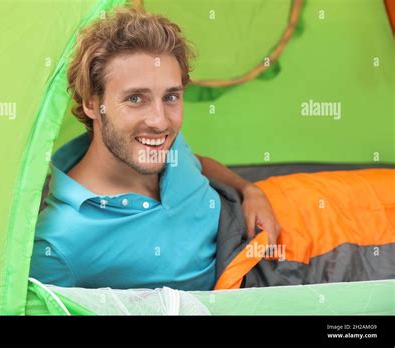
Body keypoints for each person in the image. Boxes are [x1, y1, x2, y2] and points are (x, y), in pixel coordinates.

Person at [29, 7, 280, 290]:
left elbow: (198, 163)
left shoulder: (160, 148)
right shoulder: (61, 242)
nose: (160, 122)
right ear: (91, 103)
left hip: (273, 228)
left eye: (171, 96)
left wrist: (249, 190)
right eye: (136, 98)